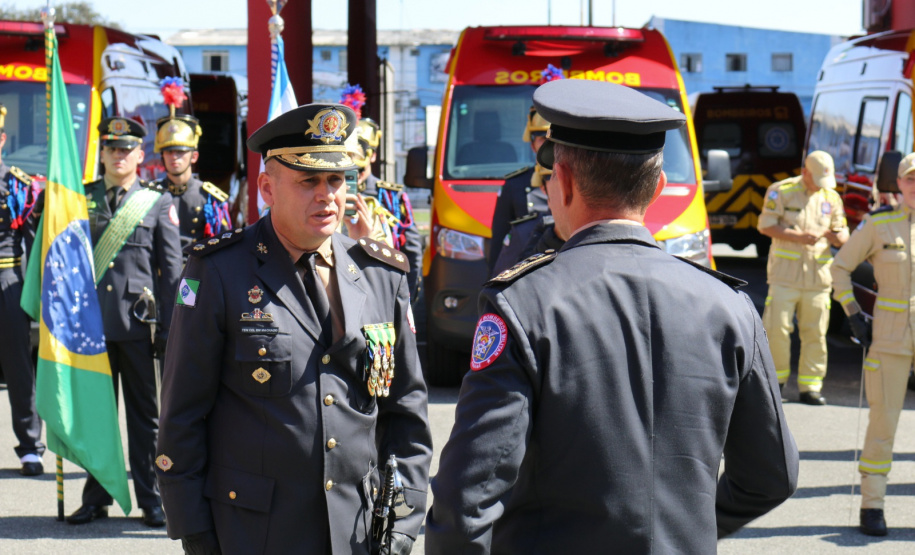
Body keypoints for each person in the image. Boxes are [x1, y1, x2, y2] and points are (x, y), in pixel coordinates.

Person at [425, 79, 799, 553]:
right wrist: (689, 526)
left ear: (562, 181)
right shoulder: (729, 306)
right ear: (659, 187)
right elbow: (773, 476)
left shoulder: (523, 304)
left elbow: (465, 502)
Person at [156, 103, 432, 555]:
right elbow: (182, 415)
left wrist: (403, 520)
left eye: (337, 180)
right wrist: (195, 533)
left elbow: (406, 413)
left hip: (357, 532)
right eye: (309, 181)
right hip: (253, 532)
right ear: (267, 187)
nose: (327, 196)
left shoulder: (383, 273)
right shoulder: (219, 272)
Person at [66, 117, 183, 528]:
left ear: (139, 155)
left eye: (126, 148)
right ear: (102, 153)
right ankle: (95, 498)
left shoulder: (156, 203)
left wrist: (169, 330)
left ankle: (151, 500)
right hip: (91, 328)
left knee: (144, 420)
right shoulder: (82, 198)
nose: (119, 155)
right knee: (96, 416)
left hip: (137, 328)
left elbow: (171, 272)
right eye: (112, 148)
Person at [831, 152, 915, 536]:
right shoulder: (879, 225)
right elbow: (840, 267)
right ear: (898, 184)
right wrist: (852, 313)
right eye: (910, 179)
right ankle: (872, 505)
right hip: (890, 340)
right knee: (884, 424)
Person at [757, 150, 849, 405]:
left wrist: (834, 235)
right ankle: (775, 382)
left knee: (816, 333)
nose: (820, 186)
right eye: (815, 179)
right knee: (777, 330)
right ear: (805, 172)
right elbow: (765, 225)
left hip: (818, 279)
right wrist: (798, 237)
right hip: (784, 277)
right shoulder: (781, 191)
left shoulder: (832, 197)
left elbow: (844, 238)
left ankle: (811, 387)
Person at [0, 103, 45, 477]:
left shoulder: (18, 185)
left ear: (2, 140)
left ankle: (30, 446)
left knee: (18, 367)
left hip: (7, 281)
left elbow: (35, 239)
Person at [355, 118, 423, 298]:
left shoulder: (391, 197)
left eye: (359, 169)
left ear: (373, 155)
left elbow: (411, 251)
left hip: (382, 290)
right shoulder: (328, 194)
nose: (354, 175)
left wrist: (405, 297)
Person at [153, 113, 231, 252]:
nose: (174, 157)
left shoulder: (208, 197)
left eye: (180, 151)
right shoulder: (151, 194)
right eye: (169, 152)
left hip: (196, 270)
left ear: (194, 156)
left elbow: (222, 245)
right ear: (162, 156)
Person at [487, 107, 552, 275]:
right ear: (532, 145)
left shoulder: (579, 182)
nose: (549, 146)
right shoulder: (515, 185)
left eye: (554, 140)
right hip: (524, 274)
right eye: (542, 139)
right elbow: (499, 243)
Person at [490, 163, 565, 277]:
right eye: (552, 176)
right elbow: (500, 288)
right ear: (543, 188)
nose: (564, 184)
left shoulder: (594, 228)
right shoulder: (523, 233)